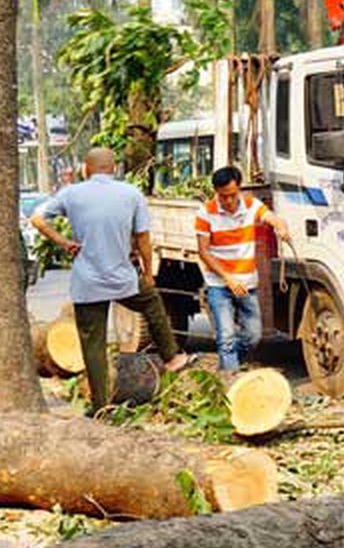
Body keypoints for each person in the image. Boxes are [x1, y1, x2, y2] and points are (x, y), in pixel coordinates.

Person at [32, 147, 193, 414]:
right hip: (123, 280)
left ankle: (101, 406)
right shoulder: (131, 194)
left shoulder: (71, 193)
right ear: (114, 168)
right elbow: (143, 238)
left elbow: (37, 219)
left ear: (86, 168)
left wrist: (63, 241)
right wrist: (148, 273)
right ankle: (171, 356)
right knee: (151, 302)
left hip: (87, 283)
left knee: (93, 347)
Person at [195, 166, 291, 373]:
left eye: (232, 195)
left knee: (254, 336)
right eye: (223, 196)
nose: (229, 201)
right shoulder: (205, 213)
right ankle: (231, 376)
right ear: (216, 192)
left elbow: (272, 218)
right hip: (219, 284)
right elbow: (203, 252)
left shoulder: (251, 205)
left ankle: (227, 365)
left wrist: (281, 227)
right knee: (226, 336)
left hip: (247, 283)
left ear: (239, 188)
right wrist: (228, 278)